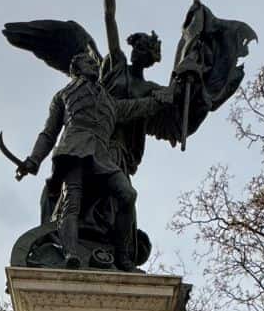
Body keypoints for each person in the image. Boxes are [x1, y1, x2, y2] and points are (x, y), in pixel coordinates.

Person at [16, 49, 172, 271]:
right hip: (73, 150)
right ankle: (70, 253)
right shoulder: (63, 95)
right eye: (88, 62)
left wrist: (161, 98)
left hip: (101, 156)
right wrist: (33, 160)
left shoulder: (109, 101)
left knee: (127, 195)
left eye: (94, 63)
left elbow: (138, 107)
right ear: (76, 68)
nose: (94, 65)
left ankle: (121, 255)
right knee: (72, 204)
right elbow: (49, 132)